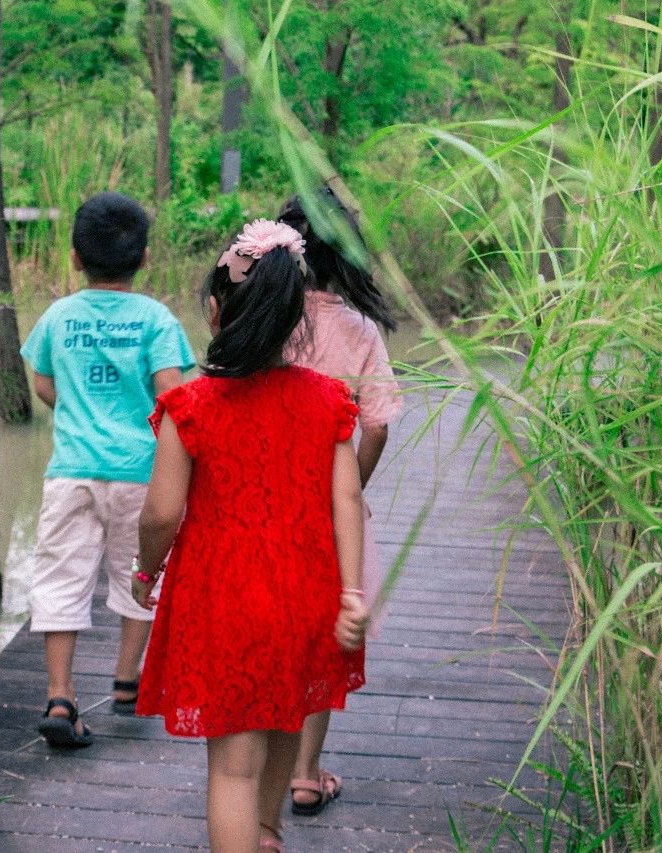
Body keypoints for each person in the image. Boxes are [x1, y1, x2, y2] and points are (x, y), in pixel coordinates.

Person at [132, 219, 370, 852]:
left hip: (224, 599)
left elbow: (160, 514)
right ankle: (267, 835)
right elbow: (346, 497)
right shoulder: (328, 400)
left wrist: (145, 570)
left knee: (232, 768)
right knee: (285, 725)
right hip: (306, 595)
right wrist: (352, 591)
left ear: (214, 311)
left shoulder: (191, 405)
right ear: (295, 318)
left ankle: (253, 835)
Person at [19, 191, 196, 749]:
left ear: (74, 256)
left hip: (71, 470)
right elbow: (174, 394)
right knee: (141, 572)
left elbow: (43, 382)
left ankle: (60, 694)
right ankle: (126, 682)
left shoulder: (58, 315)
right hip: (141, 473)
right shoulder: (156, 320)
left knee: (60, 578)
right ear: (145, 259)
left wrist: (75, 410)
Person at [278, 188, 401, 816]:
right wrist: (348, 488)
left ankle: (261, 768)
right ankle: (304, 773)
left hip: (263, 505)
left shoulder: (264, 319)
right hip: (330, 513)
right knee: (327, 637)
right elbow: (377, 424)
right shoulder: (359, 331)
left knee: (275, 633)